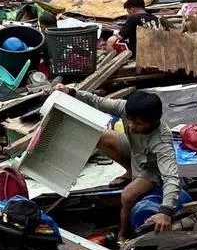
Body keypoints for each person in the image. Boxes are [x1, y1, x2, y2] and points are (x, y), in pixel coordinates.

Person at [54, 87, 180, 240]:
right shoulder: (127, 109)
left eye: (138, 124)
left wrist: (165, 211)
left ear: (153, 121)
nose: (132, 126)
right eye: (131, 121)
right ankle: (130, 172)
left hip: (149, 169)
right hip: (134, 151)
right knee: (101, 136)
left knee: (127, 196)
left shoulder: (162, 140)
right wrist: (72, 92)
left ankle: (124, 233)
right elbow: (97, 102)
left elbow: (171, 178)